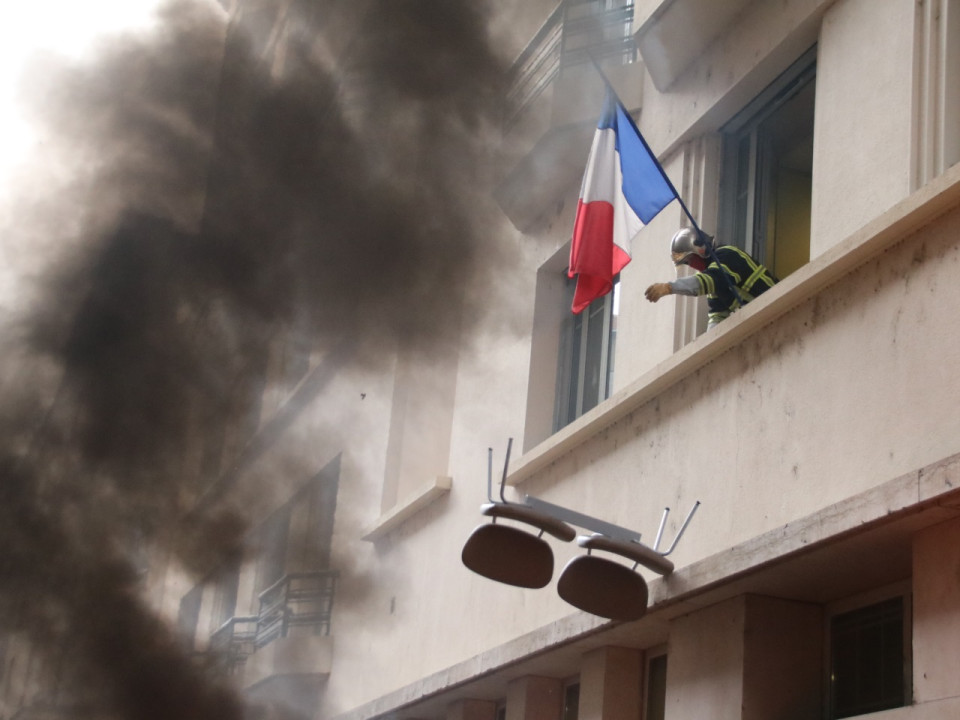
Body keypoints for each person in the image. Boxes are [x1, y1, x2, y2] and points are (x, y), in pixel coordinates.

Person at [645, 227, 777, 327]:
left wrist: (670, 287)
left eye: (690, 260)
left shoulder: (727, 255)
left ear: (701, 250)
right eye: (686, 263)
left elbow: (710, 281)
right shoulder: (713, 276)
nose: (691, 265)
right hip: (763, 318)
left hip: (775, 306)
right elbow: (718, 316)